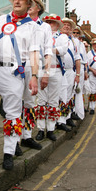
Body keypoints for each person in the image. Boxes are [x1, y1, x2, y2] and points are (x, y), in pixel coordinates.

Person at [0, 0, 40, 170]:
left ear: (29, 4)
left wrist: (35, 76)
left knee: (12, 113)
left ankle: (8, 152)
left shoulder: (32, 27)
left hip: (13, 72)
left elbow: (34, 53)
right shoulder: (0, 19)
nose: (17, 1)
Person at [19, 0, 52, 151]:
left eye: (34, 3)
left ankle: (27, 136)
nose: (30, 5)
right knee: (15, 102)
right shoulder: (18, 22)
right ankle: (14, 137)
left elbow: (48, 51)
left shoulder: (45, 27)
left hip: (35, 66)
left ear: (38, 8)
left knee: (30, 102)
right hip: (17, 64)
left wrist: (46, 73)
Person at [35, 14, 67, 142]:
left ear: (57, 25)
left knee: (53, 100)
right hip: (42, 68)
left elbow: (63, 50)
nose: (49, 24)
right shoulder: (40, 34)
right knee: (41, 99)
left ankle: (51, 129)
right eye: (48, 21)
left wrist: (48, 49)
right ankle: (41, 129)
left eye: (52, 22)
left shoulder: (62, 37)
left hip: (56, 68)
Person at [57, 18, 80, 131]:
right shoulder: (57, 38)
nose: (66, 26)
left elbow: (77, 58)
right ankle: (59, 120)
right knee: (61, 95)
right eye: (64, 25)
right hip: (60, 70)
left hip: (70, 70)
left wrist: (78, 74)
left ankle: (67, 116)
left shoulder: (75, 42)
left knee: (70, 94)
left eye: (68, 25)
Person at [72, 27, 87, 120]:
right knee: (71, 90)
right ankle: (72, 111)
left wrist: (85, 71)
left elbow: (84, 59)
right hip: (71, 67)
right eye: (74, 32)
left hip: (80, 68)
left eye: (77, 33)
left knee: (78, 89)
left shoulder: (81, 45)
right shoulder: (69, 42)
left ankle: (78, 111)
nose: (75, 34)